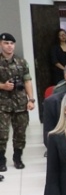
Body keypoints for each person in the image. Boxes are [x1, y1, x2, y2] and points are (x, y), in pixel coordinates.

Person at [0, 33, 36, 171]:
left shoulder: (21, 62)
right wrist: (3, 86)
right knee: (2, 134)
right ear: (0, 45)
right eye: (6, 43)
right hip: (2, 104)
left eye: (11, 43)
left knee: (20, 133)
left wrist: (31, 99)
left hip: (20, 103)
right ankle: (1, 160)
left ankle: (17, 157)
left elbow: (27, 80)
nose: (9, 46)